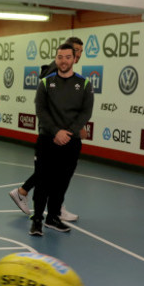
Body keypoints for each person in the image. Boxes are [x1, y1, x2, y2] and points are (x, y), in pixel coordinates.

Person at [9, 37, 85, 221]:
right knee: (55, 171)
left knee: (51, 170)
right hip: (54, 133)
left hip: (56, 131)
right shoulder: (55, 72)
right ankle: (54, 207)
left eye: (80, 52)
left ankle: (24, 192)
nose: (78, 55)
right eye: (76, 51)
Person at [29, 43, 93, 236]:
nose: (63, 61)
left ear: (74, 59)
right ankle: (37, 219)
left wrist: (69, 132)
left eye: (67, 57)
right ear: (55, 59)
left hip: (71, 142)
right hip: (48, 139)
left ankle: (53, 217)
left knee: (62, 182)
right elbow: (41, 111)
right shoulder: (46, 83)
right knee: (42, 182)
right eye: (60, 57)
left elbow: (85, 112)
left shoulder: (84, 84)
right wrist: (56, 131)